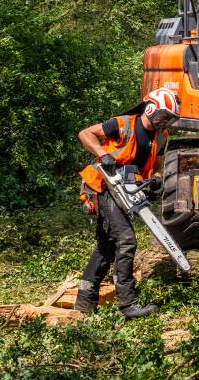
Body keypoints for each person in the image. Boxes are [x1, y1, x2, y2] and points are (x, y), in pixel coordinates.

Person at [74, 88, 180, 318]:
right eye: (163, 116)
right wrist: (103, 154)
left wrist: (157, 179)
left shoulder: (161, 136)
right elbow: (85, 134)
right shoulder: (123, 124)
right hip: (103, 185)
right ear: (150, 108)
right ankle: (127, 305)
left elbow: (159, 162)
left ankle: (84, 303)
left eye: (168, 119)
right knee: (126, 240)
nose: (164, 122)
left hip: (126, 188)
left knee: (106, 247)